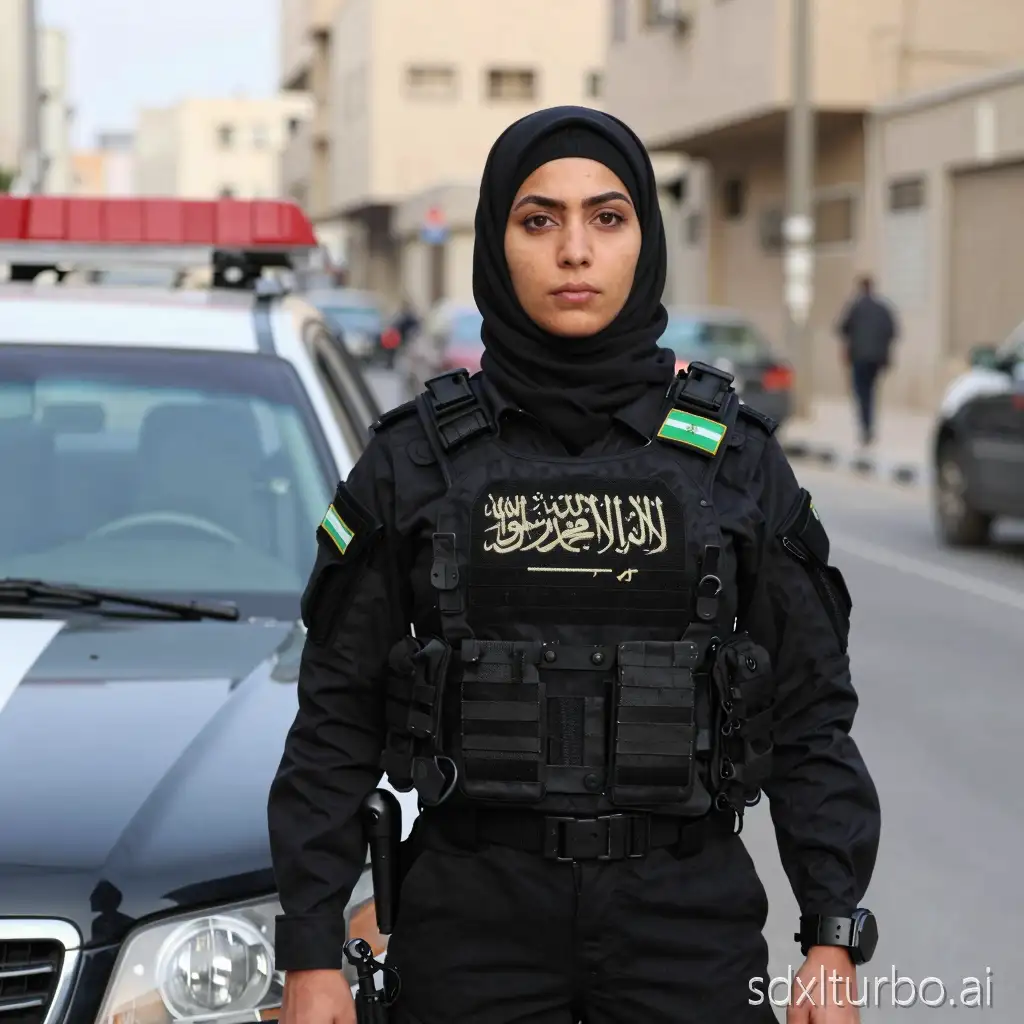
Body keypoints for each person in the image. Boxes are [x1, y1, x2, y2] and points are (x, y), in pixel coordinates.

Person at [268, 106, 881, 1024]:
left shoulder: (736, 461)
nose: (575, 252)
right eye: (538, 219)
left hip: (687, 926)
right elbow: (336, 718)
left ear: (645, 238)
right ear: (495, 241)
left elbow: (809, 716)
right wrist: (311, 951)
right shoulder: (414, 461)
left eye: (607, 217)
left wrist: (831, 937)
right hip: (470, 929)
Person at [836, 275, 899, 448]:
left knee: (862, 392)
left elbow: (841, 328)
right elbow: (894, 331)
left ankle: (866, 428)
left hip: (859, 358)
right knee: (871, 391)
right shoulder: (883, 308)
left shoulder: (855, 307)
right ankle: (869, 427)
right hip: (877, 359)